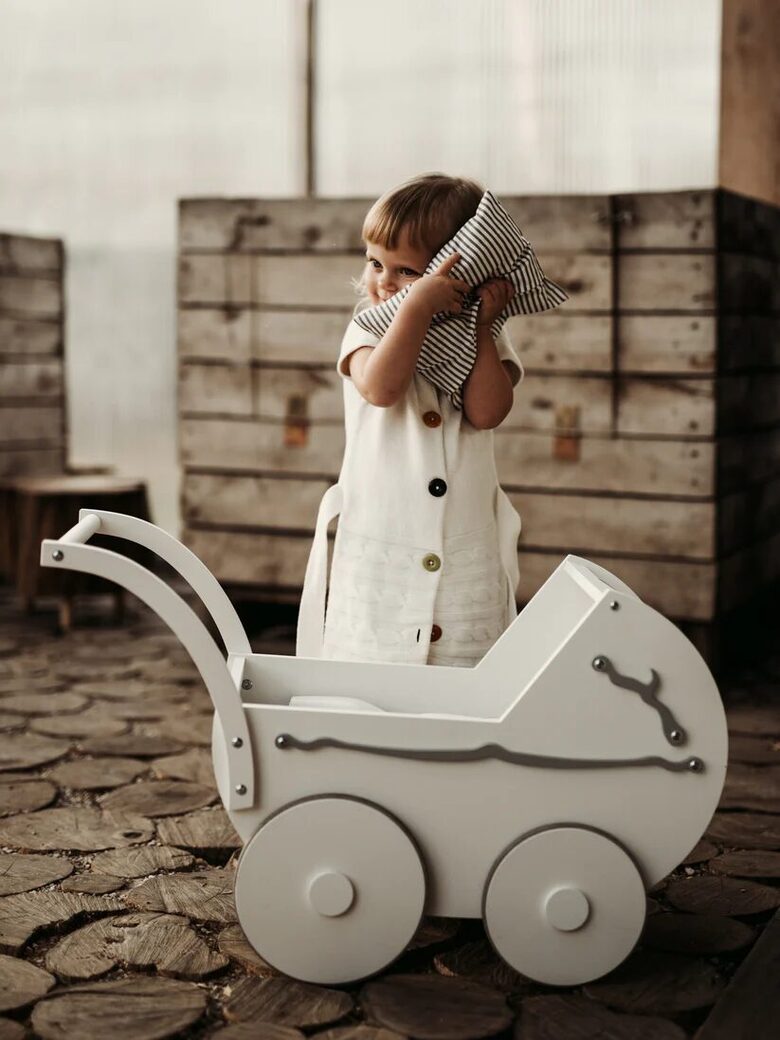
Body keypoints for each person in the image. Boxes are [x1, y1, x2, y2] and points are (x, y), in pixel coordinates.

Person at [296, 172, 558, 667]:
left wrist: (481, 329)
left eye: (406, 272)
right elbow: (381, 388)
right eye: (375, 262)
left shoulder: (484, 340)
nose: (382, 281)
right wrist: (414, 306)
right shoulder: (367, 329)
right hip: (383, 539)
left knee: (462, 670)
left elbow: (487, 412)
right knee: (377, 670)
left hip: (463, 546)